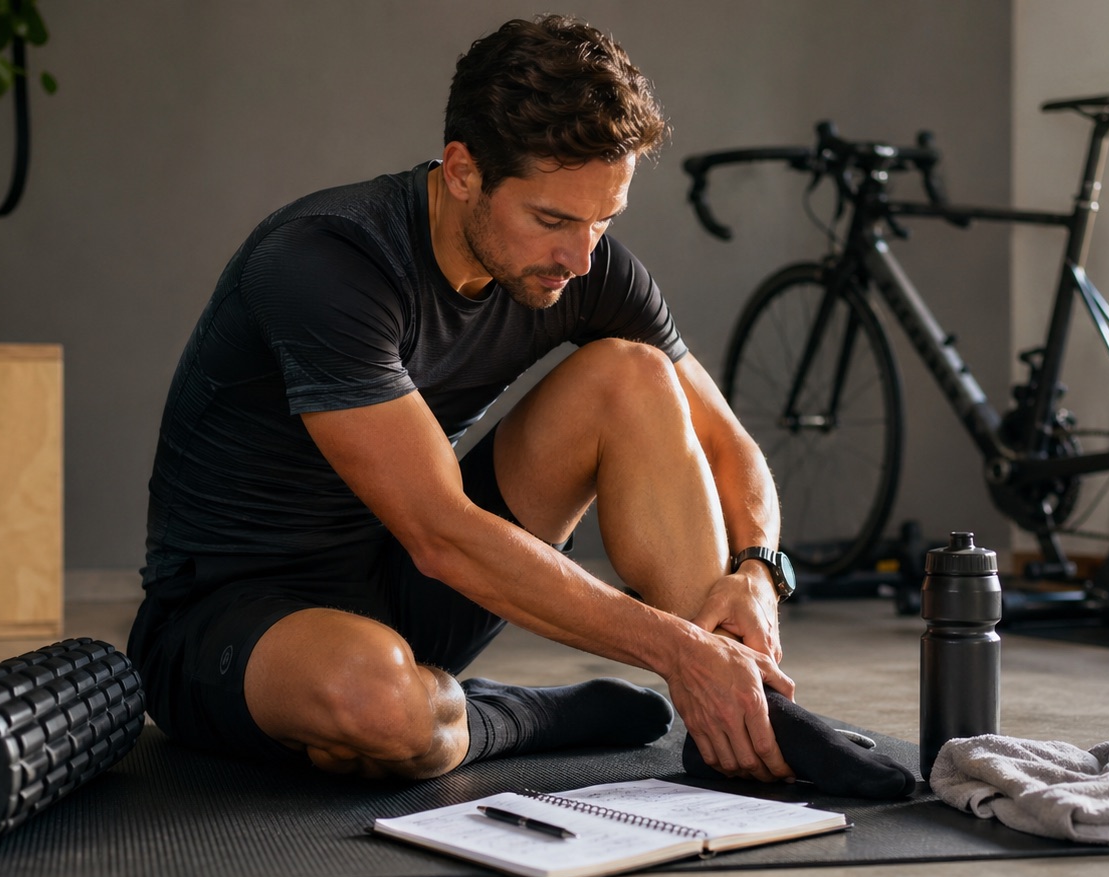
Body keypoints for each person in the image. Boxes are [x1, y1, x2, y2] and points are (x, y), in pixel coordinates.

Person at [129, 14, 912, 798]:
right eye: (553, 220)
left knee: (635, 375)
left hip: (408, 594)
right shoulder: (324, 263)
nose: (581, 257)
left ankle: (738, 711)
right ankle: (518, 714)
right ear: (463, 170)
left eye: (604, 220)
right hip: (232, 621)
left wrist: (757, 571)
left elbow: (731, 444)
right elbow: (441, 532)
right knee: (379, 705)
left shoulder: (585, 267)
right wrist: (673, 648)